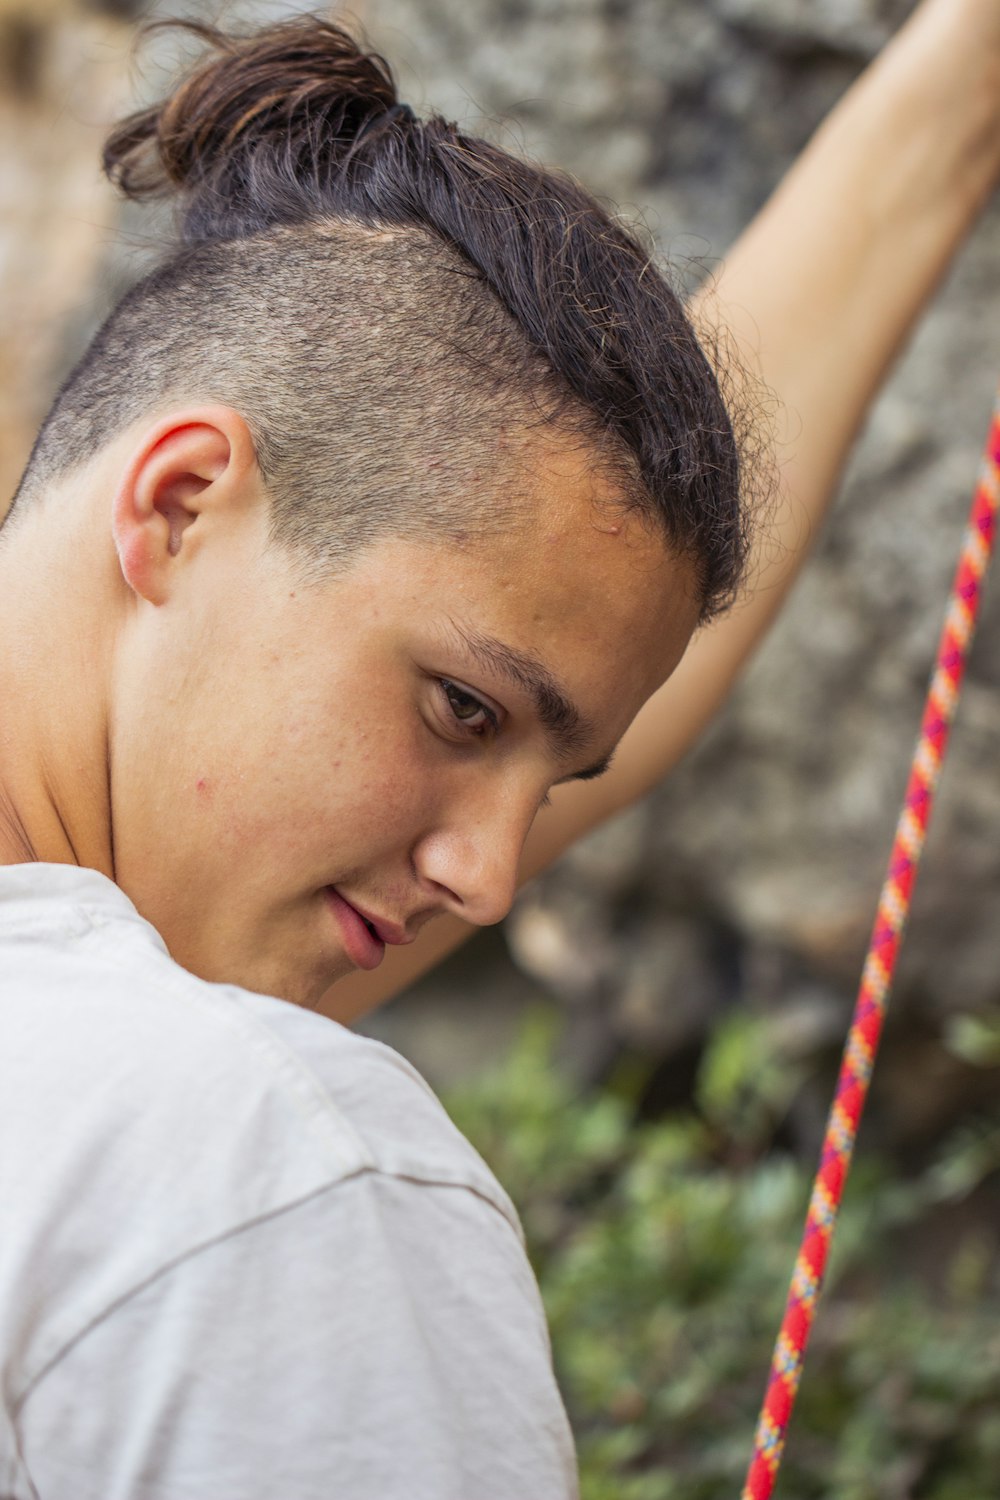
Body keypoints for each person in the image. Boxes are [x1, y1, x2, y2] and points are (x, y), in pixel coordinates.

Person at [1, 2, 997, 1495]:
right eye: (461, 712)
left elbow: (533, 583)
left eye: (553, 775)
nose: (492, 879)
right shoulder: (259, 1176)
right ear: (178, 506)